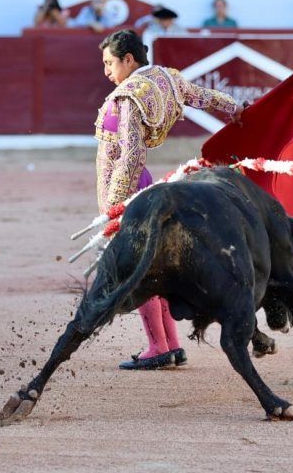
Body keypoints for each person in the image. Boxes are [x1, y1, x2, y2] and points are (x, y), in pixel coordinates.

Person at [95, 29, 243, 370]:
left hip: (127, 187)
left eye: (109, 63)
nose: (106, 71)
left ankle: (158, 346)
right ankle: (171, 345)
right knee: (154, 266)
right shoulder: (167, 78)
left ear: (128, 59)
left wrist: (115, 207)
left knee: (138, 268)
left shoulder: (128, 96)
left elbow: (131, 154)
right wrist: (234, 108)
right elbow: (203, 96)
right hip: (144, 185)